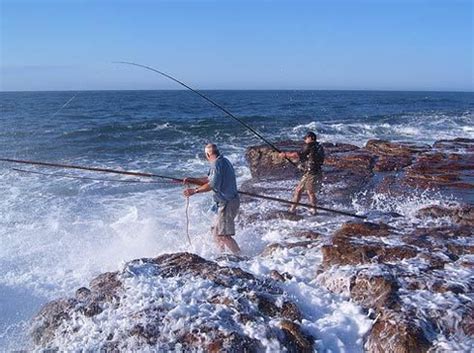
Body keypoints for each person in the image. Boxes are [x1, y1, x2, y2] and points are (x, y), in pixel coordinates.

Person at [183, 143, 241, 254]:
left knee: (224, 236)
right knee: (215, 232)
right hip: (227, 201)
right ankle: (222, 255)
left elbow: (212, 185)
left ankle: (241, 256)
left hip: (227, 203)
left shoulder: (216, 164)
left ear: (207, 154)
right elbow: (210, 179)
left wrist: (194, 191)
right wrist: (192, 180)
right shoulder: (224, 161)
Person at [279, 131, 325, 215]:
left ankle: (314, 210)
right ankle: (292, 209)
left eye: (305, 138)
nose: (304, 140)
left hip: (312, 173)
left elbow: (297, 154)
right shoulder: (319, 146)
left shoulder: (310, 145)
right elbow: (310, 158)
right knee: (298, 190)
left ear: (311, 138)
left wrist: (285, 154)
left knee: (310, 192)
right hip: (311, 172)